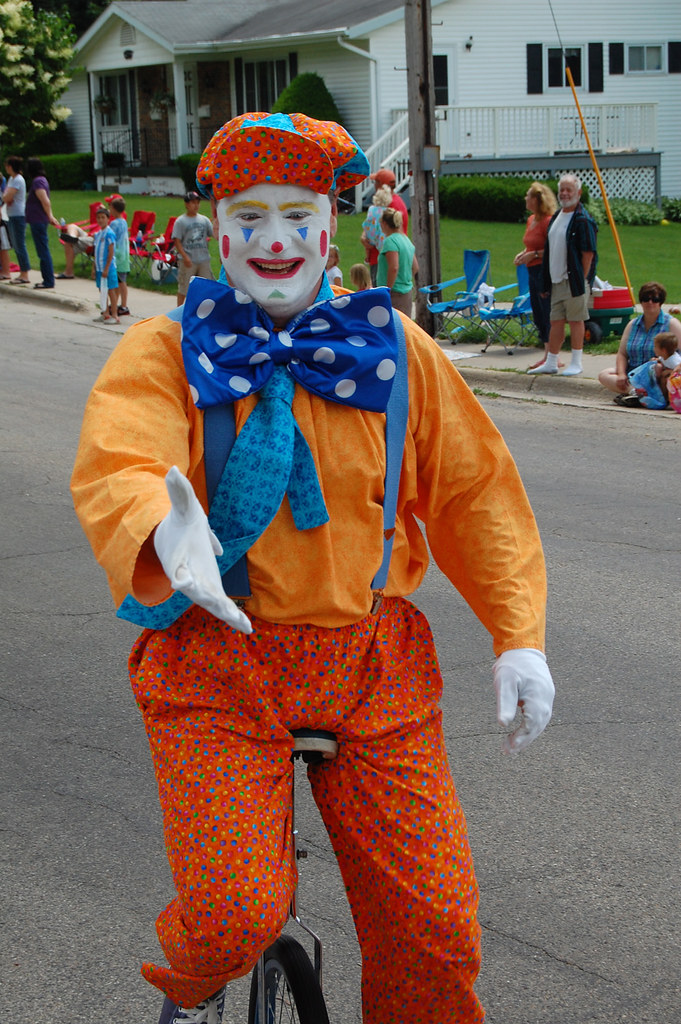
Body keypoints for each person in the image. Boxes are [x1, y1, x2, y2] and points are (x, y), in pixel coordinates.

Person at [71, 111, 554, 1024]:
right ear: (219, 234)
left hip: (373, 668)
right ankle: (198, 980)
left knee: (435, 926)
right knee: (230, 914)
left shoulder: (400, 356)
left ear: (330, 230)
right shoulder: (164, 350)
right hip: (215, 665)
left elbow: (475, 496)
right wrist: (164, 534)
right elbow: (120, 460)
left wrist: (517, 636)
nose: (275, 239)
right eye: (248, 217)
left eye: (295, 214)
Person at [527, 174, 597, 378]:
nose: (565, 194)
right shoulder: (557, 216)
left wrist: (581, 279)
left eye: (570, 190)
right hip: (556, 279)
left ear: (579, 193)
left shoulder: (582, 220)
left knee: (576, 320)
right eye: (562, 190)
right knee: (556, 320)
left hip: (573, 280)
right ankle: (551, 361)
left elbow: (588, 253)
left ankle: (576, 361)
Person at [597, 282, 681, 406]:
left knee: (665, 375)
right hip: (635, 373)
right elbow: (622, 354)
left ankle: (644, 396)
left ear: (661, 302)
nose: (650, 303)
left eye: (655, 299)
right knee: (604, 374)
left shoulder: (671, 324)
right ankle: (635, 393)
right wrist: (621, 374)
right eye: (646, 299)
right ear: (641, 302)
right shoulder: (632, 324)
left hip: (656, 375)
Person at [514, 181, 559, 369]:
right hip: (531, 270)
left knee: (547, 311)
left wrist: (534, 255)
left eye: (528, 196)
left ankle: (552, 355)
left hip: (544, 271)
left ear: (536, 200)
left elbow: (552, 249)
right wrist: (524, 253)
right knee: (538, 311)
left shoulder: (548, 221)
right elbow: (531, 243)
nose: (526, 199)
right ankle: (546, 352)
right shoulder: (531, 220)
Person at [172, 190, 214, 305]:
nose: (196, 205)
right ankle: (179, 312)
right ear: (186, 204)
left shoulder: (204, 220)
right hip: (188, 260)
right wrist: (185, 257)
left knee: (206, 288)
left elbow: (213, 233)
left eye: (197, 202)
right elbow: (177, 240)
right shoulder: (181, 221)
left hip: (203, 259)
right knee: (184, 289)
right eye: (192, 202)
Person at [25, 157, 61, 290]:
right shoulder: (40, 180)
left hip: (38, 220)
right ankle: (47, 279)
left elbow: (45, 201)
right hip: (37, 220)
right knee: (42, 250)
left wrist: (50, 216)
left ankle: (48, 280)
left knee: (42, 251)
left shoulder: (38, 181)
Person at [376, 206, 418, 316]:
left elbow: (394, 267)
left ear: (385, 223)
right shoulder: (405, 240)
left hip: (394, 293)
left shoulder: (390, 242)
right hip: (406, 291)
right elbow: (415, 267)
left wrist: (387, 289)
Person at [3, 155, 31, 284]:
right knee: (16, 244)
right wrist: (6, 196)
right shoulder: (11, 179)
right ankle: (22, 272)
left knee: (20, 244)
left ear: (10, 166)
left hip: (18, 215)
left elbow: (7, 197)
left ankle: (24, 274)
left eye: (7, 166)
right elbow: (6, 196)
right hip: (12, 214)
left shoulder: (18, 180)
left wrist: (6, 197)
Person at [92, 206, 119, 324]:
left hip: (108, 268)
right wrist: (94, 268)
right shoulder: (98, 234)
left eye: (103, 217)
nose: (100, 220)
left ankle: (115, 314)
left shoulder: (109, 233)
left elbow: (111, 251)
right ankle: (105, 312)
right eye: (98, 218)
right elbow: (96, 252)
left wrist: (107, 268)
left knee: (110, 290)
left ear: (108, 219)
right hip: (99, 268)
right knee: (102, 290)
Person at [360, 183, 391, 286]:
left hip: (371, 242)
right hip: (384, 245)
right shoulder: (388, 212)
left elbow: (368, 225)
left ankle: (367, 257)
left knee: (374, 278)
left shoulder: (371, 209)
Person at [109, 197, 131, 315]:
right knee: (119, 281)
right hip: (124, 256)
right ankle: (116, 303)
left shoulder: (114, 223)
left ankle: (124, 305)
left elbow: (111, 239)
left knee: (121, 282)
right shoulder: (123, 221)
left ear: (113, 208)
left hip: (118, 257)